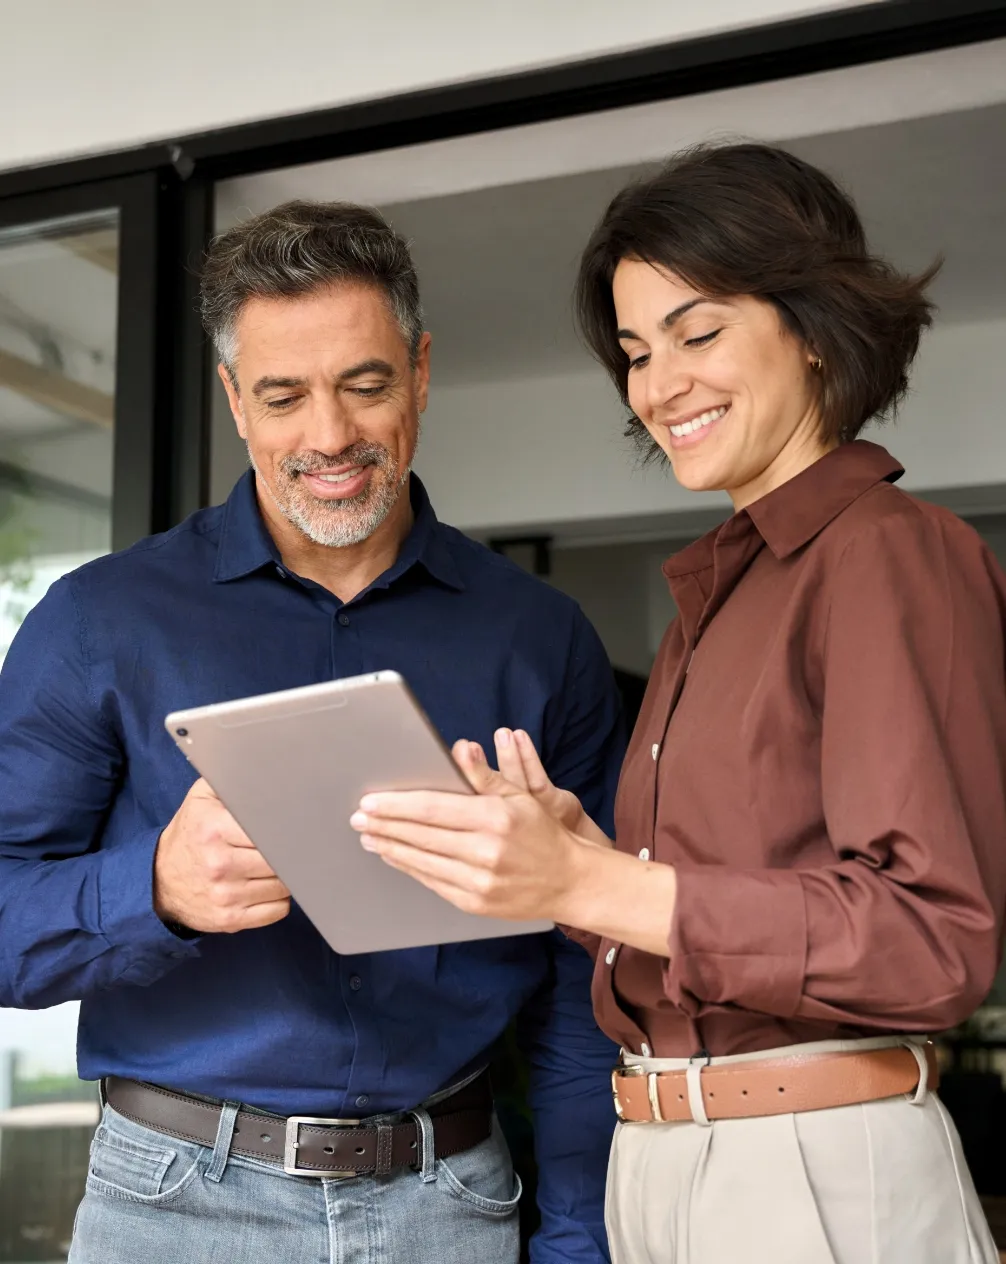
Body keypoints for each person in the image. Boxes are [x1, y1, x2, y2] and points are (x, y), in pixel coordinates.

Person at [349, 143, 1006, 1264]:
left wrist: (601, 882)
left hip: (806, 1162)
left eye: (696, 333)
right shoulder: (725, 586)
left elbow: (930, 937)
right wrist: (575, 868)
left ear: (810, 324)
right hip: (664, 1152)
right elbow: (722, 906)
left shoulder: (888, 552)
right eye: (636, 352)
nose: (657, 386)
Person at [0, 200, 624, 1263]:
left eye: (365, 384)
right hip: (171, 1207)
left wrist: (575, 1234)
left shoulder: (537, 635)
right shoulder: (99, 622)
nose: (328, 436)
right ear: (235, 401)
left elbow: (586, 971)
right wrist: (150, 890)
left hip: (455, 1204)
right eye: (284, 395)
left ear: (420, 373)